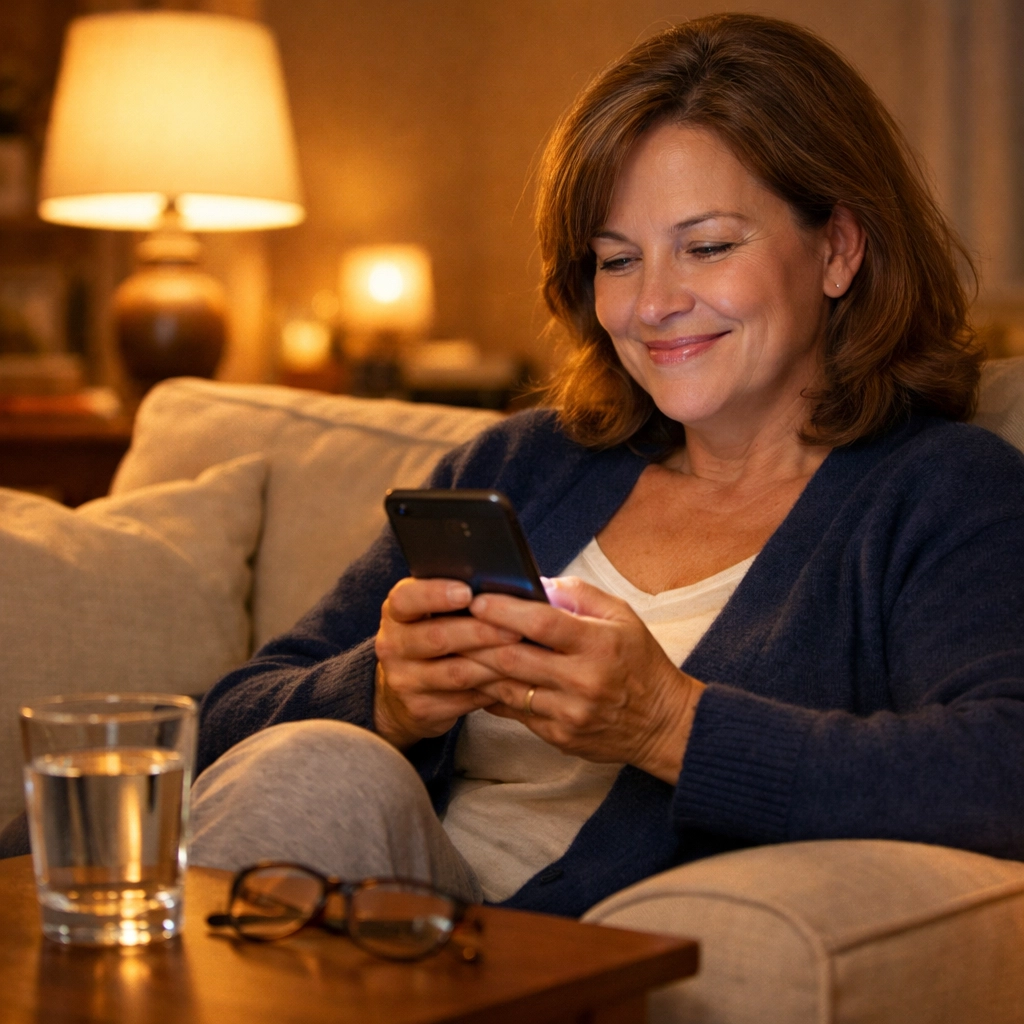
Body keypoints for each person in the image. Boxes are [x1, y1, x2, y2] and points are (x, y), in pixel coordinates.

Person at [188, 13, 1024, 918]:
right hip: (376, 910)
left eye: (707, 247)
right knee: (315, 766)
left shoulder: (941, 491)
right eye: (618, 260)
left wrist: (668, 723)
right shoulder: (522, 465)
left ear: (838, 249)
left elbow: (1002, 766)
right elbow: (218, 733)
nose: (653, 303)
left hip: (568, 951)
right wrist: (382, 696)